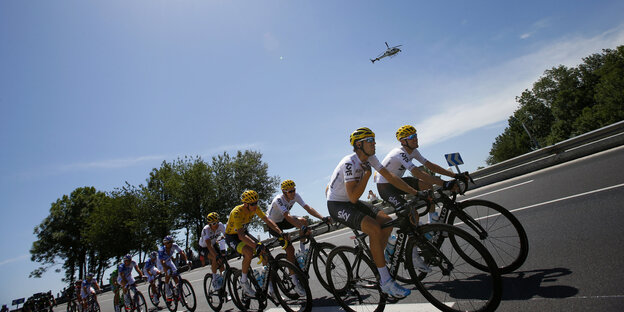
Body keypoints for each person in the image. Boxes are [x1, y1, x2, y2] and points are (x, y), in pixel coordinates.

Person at [326, 127, 426, 299]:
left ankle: (379, 252)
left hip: (352, 201)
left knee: (386, 221)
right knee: (374, 228)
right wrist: (366, 176)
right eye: (370, 141)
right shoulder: (349, 163)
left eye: (374, 140)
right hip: (337, 205)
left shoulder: (371, 158)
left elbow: (390, 177)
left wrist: (414, 192)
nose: (374, 144)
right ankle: (385, 281)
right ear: (359, 144)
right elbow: (353, 197)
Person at [375, 125, 464, 223]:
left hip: (397, 181)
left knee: (427, 185)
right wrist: (444, 183)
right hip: (385, 187)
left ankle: (433, 219)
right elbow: (418, 173)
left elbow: (431, 167)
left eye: (415, 135)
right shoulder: (399, 153)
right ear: (403, 141)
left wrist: (455, 175)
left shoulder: (414, 151)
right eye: (411, 137)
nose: (415, 139)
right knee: (412, 214)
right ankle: (416, 233)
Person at [224, 190, 298, 297]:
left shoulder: (255, 208)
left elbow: (267, 221)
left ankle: (269, 286)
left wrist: (280, 232)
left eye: (256, 203)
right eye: (252, 204)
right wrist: (256, 245)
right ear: (245, 204)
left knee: (265, 252)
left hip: (244, 233)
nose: (255, 206)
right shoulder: (236, 212)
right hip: (233, 237)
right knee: (249, 252)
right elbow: (240, 235)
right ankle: (243, 282)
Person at [266, 180, 331, 296]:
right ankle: (295, 282)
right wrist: (301, 227)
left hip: (283, 220)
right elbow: (288, 216)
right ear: (284, 192)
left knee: (304, 221)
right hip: (273, 224)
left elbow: (307, 208)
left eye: (294, 190)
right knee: (290, 249)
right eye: (290, 191)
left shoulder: (296, 196)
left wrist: (323, 218)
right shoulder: (278, 200)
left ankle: (303, 250)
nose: (292, 193)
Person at [200, 212, 228, 290]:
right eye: (213, 223)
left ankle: (223, 284)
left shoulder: (221, 225)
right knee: (214, 258)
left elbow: (227, 235)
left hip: (214, 244)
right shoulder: (206, 229)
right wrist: (216, 256)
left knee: (222, 262)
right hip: (204, 247)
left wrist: (223, 238)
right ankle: (214, 280)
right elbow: (209, 245)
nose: (215, 225)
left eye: (217, 222)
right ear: (209, 223)